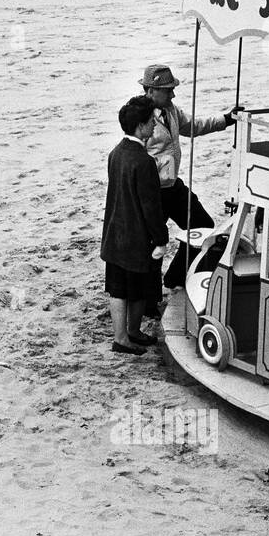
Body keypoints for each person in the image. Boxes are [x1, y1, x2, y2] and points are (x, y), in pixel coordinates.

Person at [138, 62, 243, 311]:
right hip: (152, 192)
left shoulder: (171, 111)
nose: (173, 94)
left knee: (203, 227)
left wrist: (226, 119)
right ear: (151, 91)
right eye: (168, 90)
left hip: (172, 186)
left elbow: (194, 126)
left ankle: (173, 278)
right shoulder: (140, 118)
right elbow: (134, 155)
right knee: (152, 245)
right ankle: (150, 300)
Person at [101, 96, 169, 355]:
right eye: (151, 122)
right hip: (136, 238)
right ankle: (128, 334)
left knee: (118, 289)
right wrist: (161, 238)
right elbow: (151, 208)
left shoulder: (115, 153)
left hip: (114, 235)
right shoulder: (144, 161)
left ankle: (123, 336)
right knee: (139, 289)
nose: (154, 126)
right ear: (140, 126)